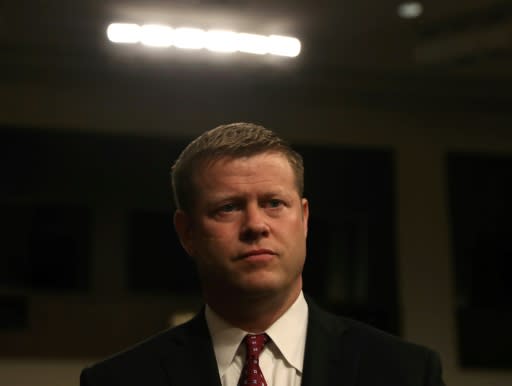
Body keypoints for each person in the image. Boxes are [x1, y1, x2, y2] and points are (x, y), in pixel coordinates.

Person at [80, 122, 445, 386]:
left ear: (303, 218)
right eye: (228, 208)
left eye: (273, 203)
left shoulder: (407, 373)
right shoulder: (118, 381)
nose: (255, 225)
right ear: (187, 232)